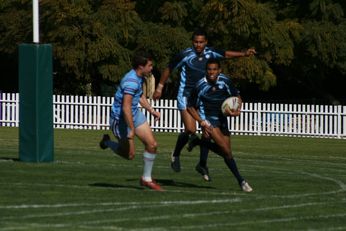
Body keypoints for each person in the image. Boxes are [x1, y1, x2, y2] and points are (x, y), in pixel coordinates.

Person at [153, 28, 256, 181]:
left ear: (206, 42)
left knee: (207, 132)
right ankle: (176, 153)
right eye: (196, 42)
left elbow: (226, 54)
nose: (198, 45)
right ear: (192, 42)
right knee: (190, 129)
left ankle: (202, 164)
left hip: (203, 97)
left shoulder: (211, 53)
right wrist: (160, 87)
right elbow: (168, 68)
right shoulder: (185, 55)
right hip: (186, 96)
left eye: (201, 42)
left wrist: (244, 54)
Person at [99, 50, 163, 191]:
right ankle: (107, 142)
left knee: (152, 145)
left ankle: (146, 179)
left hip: (134, 114)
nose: (152, 68)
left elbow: (139, 96)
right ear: (141, 66)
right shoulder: (131, 81)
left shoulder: (139, 77)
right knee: (130, 155)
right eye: (150, 65)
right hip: (121, 119)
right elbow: (125, 107)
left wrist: (152, 110)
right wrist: (132, 129)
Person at [186, 58, 253, 192]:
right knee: (226, 151)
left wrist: (236, 110)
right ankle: (241, 181)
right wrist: (201, 122)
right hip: (209, 119)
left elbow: (237, 97)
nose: (212, 72)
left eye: (214, 69)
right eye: (209, 69)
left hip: (223, 119)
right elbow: (190, 107)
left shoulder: (225, 81)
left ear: (219, 70)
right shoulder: (199, 85)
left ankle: (198, 142)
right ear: (206, 70)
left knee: (227, 153)